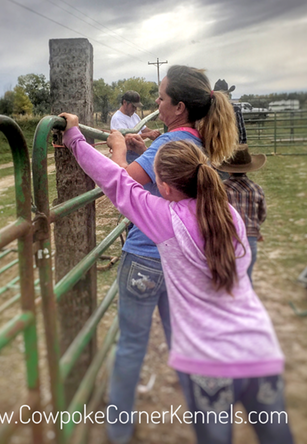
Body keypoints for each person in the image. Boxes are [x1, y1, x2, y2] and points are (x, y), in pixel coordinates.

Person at [59, 113, 294, 444]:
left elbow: (115, 181)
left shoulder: (166, 220)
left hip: (208, 362)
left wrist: (74, 137)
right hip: (259, 349)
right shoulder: (231, 217)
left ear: (165, 188)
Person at [103, 65, 239, 444]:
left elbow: (122, 185)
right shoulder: (194, 143)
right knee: (184, 344)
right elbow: (166, 179)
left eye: (161, 99)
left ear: (178, 106)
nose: (157, 105)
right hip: (179, 261)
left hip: (145, 257)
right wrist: (143, 151)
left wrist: (116, 147)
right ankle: (209, 426)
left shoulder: (168, 143)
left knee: (131, 344)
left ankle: (118, 432)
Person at [216, 144, 267, 285]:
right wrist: (255, 228)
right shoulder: (256, 189)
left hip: (227, 237)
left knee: (227, 279)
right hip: (249, 238)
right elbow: (262, 214)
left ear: (229, 170)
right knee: (246, 277)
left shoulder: (221, 189)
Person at [110, 91, 161, 163]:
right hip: (127, 154)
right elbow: (126, 138)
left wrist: (154, 133)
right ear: (125, 103)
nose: (135, 109)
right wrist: (148, 135)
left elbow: (144, 129)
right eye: (133, 106)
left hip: (137, 151)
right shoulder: (118, 118)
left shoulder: (135, 116)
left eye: (136, 107)